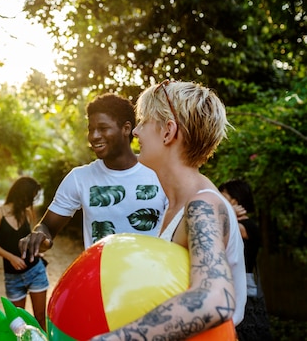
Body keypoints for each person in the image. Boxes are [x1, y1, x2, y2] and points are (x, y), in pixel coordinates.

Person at [89, 80, 247, 340]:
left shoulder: (202, 205)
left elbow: (215, 298)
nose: (136, 132)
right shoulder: (175, 205)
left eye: (144, 121)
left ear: (168, 131)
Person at [19, 93, 168, 261]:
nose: (94, 136)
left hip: (154, 280)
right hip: (100, 281)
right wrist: (39, 236)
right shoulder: (79, 178)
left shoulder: (159, 173)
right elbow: (47, 226)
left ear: (126, 129)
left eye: (103, 128)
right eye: (91, 130)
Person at [0, 176, 49, 330]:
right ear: (22, 193)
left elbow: (32, 238)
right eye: (31, 196)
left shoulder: (27, 213)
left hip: (35, 271)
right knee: (19, 325)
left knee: (40, 318)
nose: (31, 201)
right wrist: (10, 257)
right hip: (12, 277)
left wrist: (38, 251)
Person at [218, 178, 272, 341]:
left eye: (223, 196)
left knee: (245, 332)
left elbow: (219, 230)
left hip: (242, 286)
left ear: (235, 199)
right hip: (234, 284)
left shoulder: (246, 227)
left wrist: (229, 214)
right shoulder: (236, 223)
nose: (218, 198)